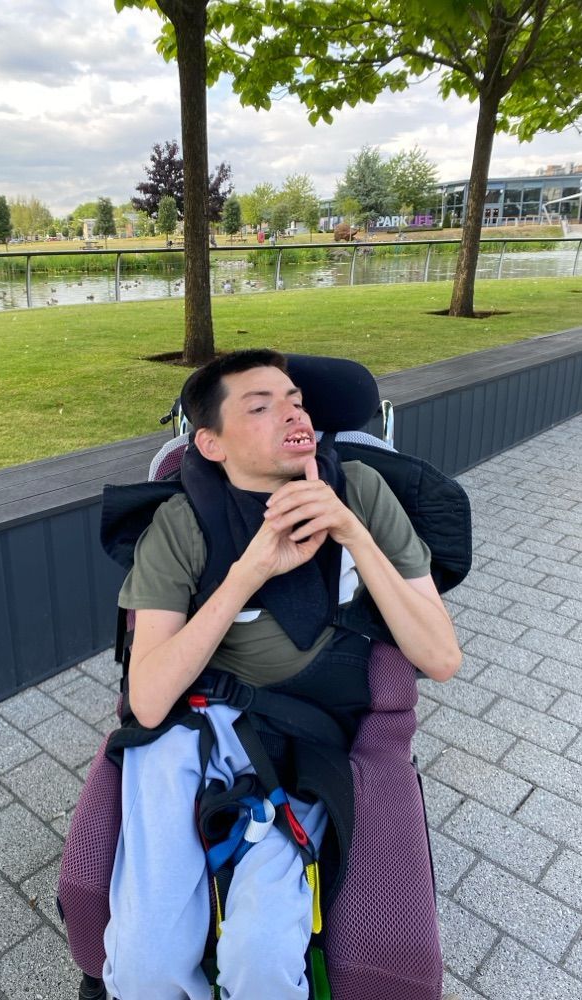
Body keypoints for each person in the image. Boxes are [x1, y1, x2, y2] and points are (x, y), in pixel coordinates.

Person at [102, 350, 461, 1000]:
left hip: (300, 747)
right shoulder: (180, 524)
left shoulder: (360, 493)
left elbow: (440, 658)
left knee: (261, 963)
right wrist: (249, 572)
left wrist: (351, 531)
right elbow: (148, 701)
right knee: (142, 968)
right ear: (208, 442)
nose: (292, 411)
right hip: (190, 728)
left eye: (294, 399)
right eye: (259, 405)